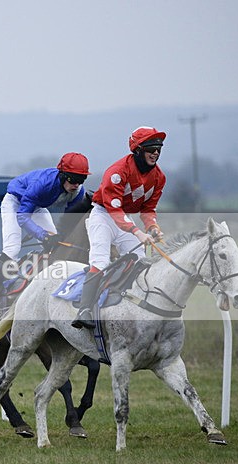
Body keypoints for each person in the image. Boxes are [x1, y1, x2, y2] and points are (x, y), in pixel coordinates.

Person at [71, 126, 167, 329]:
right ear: (138, 149)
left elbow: (148, 209)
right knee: (100, 259)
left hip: (124, 218)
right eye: (151, 147)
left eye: (159, 147)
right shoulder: (117, 172)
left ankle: (132, 302)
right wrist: (137, 232)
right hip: (103, 215)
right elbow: (114, 210)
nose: (156, 152)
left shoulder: (159, 177)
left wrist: (152, 227)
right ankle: (85, 309)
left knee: (142, 260)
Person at [0, 152, 91, 321]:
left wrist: (55, 238)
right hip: (15, 204)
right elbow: (22, 216)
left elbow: (70, 221)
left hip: (37, 206)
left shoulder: (77, 192)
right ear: (62, 175)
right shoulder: (43, 184)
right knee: (12, 249)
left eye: (81, 180)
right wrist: (43, 235)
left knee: (56, 245)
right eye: (73, 179)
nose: (76, 184)